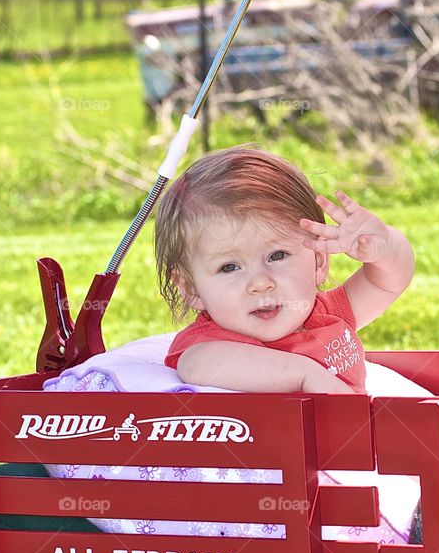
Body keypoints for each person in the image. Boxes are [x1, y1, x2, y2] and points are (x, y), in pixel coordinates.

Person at [156, 145, 414, 393]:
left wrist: (387, 247)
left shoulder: (327, 315)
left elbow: (387, 281)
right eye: (229, 267)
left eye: (277, 255)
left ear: (319, 261)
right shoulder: (211, 342)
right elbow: (198, 365)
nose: (260, 283)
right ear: (191, 289)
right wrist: (305, 375)